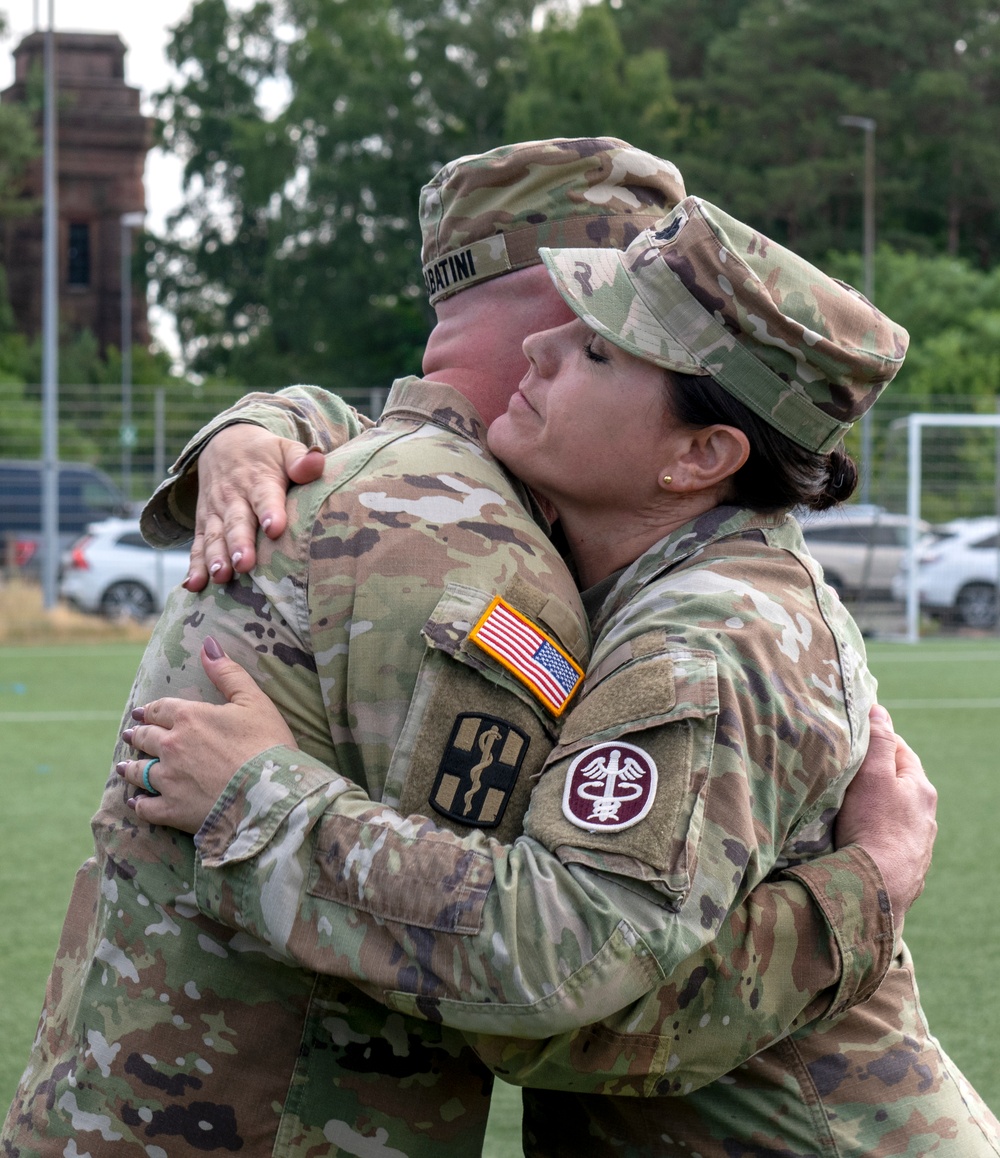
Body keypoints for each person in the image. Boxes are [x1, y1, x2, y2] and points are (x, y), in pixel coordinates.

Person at [2, 141, 928, 1158]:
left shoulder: (708, 637)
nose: (552, 350)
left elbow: (551, 975)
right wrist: (262, 419)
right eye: (577, 318)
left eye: (600, 343)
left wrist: (255, 801)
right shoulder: (539, 534)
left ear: (702, 455)